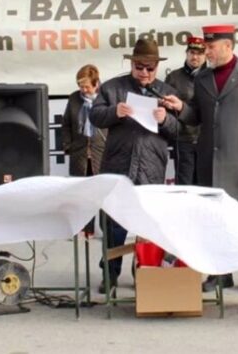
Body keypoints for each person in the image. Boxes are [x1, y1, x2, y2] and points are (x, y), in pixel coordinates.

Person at [162, 24, 238, 291]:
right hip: (209, 161)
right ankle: (220, 274)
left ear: (228, 46)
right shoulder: (203, 78)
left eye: (211, 47)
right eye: (205, 47)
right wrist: (180, 107)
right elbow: (198, 117)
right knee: (214, 222)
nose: (207, 52)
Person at [91, 38, 179, 294]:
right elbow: (95, 116)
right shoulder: (112, 88)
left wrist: (165, 121)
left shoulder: (166, 91)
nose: (144, 72)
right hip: (119, 163)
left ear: (157, 67)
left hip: (151, 167)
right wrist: (113, 112)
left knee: (148, 224)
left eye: (149, 68)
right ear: (131, 64)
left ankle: (144, 269)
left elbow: (180, 131)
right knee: (113, 223)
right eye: (139, 66)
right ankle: (110, 273)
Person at [60, 64, 108, 235]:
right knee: (83, 194)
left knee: (103, 193)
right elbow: (66, 124)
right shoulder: (74, 98)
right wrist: (68, 146)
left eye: (87, 86)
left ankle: (106, 230)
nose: (83, 89)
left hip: (101, 153)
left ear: (96, 84)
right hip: (79, 154)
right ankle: (86, 229)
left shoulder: (106, 97)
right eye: (80, 86)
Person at [164, 36, 207, 185]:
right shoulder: (173, 77)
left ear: (206, 54)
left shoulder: (212, 75)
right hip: (183, 139)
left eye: (199, 53)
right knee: (184, 185)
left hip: (206, 139)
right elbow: (167, 110)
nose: (195, 57)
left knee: (205, 185)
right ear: (186, 53)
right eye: (192, 52)